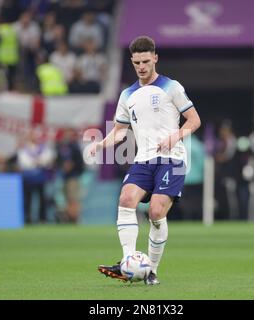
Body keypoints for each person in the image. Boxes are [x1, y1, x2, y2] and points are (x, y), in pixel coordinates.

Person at [89, 36, 201, 284]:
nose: (141, 66)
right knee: (126, 199)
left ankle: (151, 271)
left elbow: (194, 120)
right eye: (137, 62)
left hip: (172, 159)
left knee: (155, 211)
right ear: (132, 61)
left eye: (146, 61)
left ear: (155, 58)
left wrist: (177, 136)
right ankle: (128, 262)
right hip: (143, 159)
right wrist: (101, 143)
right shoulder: (127, 94)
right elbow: (119, 131)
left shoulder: (172, 87)